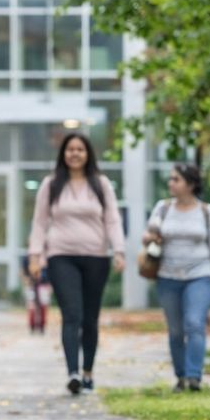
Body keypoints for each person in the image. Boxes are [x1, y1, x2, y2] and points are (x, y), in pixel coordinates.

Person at [27, 132, 126, 395]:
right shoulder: (51, 184)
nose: (74, 154)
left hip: (96, 256)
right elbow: (39, 221)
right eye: (70, 149)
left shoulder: (100, 184)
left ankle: (88, 372)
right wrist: (35, 255)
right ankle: (73, 372)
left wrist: (119, 250)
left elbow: (112, 219)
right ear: (63, 154)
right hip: (61, 256)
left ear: (87, 154)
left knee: (90, 318)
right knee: (72, 314)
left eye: (80, 149)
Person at [143, 163, 210, 391]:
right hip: (167, 277)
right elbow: (148, 233)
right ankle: (180, 377)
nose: (171, 183)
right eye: (170, 179)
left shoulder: (207, 211)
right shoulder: (162, 208)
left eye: (176, 179)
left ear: (190, 184)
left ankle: (194, 376)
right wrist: (150, 237)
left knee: (194, 324)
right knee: (175, 330)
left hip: (199, 275)